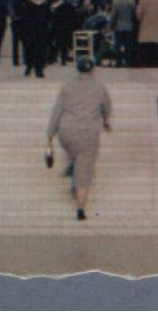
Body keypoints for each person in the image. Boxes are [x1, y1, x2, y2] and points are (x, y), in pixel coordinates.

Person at [46, 57, 113, 220]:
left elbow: (57, 111)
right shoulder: (99, 87)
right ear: (93, 70)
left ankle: (73, 171)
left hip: (66, 131)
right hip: (88, 133)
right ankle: (80, 206)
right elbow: (106, 107)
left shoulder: (67, 86)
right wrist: (106, 122)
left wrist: (49, 136)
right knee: (85, 168)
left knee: (75, 155)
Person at [16, 0, 60, 77]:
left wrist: (45, 0)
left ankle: (39, 68)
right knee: (29, 42)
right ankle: (29, 66)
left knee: (42, 42)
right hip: (28, 16)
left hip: (43, 16)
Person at [110, 0, 139, 67]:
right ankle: (128, 62)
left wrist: (111, 26)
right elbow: (134, 14)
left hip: (118, 27)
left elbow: (113, 15)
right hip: (129, 26)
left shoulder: (115, 2)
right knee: (128, 45)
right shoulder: (132, 2)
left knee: (118, 45)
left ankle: (118, 62)